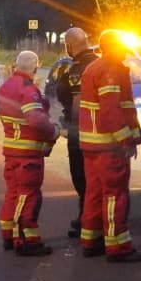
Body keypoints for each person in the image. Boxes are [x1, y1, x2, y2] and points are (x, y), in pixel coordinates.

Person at [77, 29, 141, 263]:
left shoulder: (93, 68)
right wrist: (126, 141)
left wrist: (134, 136)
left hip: (92, 145)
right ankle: (118, 247)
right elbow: (112, 111)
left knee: (94, 193)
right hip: (109, 146)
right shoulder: (110, 70)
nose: (125, 55)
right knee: (115, 195)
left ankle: (91, 240)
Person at [0, 50, 59, 256]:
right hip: (28, 153)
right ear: (35, 66)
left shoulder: (6, 86)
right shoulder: (28, 89)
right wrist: (53, 131)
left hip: (12, 150)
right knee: (28, 194)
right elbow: (36, 119)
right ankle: (26, 240)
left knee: (13, 192)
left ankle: (8, 235)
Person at [49, 26, 99, 239]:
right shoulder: (100, 62)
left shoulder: (76, 70)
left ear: (70, 45)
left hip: (81, 131)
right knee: (97, 178)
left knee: (81, 177)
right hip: (102, 131)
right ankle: (94, 218)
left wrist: (74, 129)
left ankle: (87, 219)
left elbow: (72, 100)